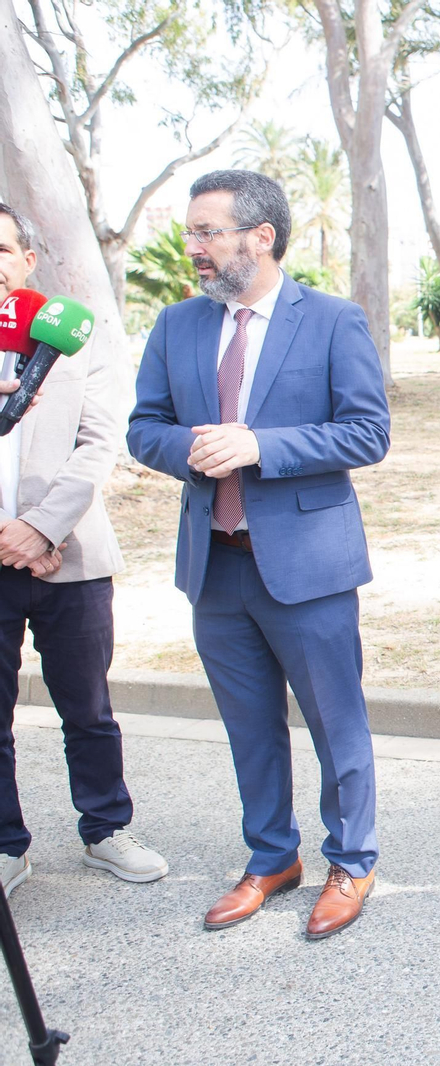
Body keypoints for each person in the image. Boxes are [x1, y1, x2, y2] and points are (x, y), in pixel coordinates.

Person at [126, 170, 390, 939]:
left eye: (208, 232)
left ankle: (352, 859)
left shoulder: (333, 320)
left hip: (308, 568)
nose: (194, 247)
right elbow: (145, 427)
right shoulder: (176, 325)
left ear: (260, 236)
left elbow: (366, 433)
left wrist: (260, 446)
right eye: (192, 232)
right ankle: (273, 857)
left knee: (336, 725)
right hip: (215, 567)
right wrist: (192, 447)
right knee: (249, 727)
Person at [0, 201, 167, 897]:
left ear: (26, 259)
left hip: (72, 554)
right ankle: (9, 847)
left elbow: (100, 439)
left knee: (88, 708)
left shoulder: (71, 330)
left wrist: (39, 528)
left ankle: (105, 829)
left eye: (1, 250)